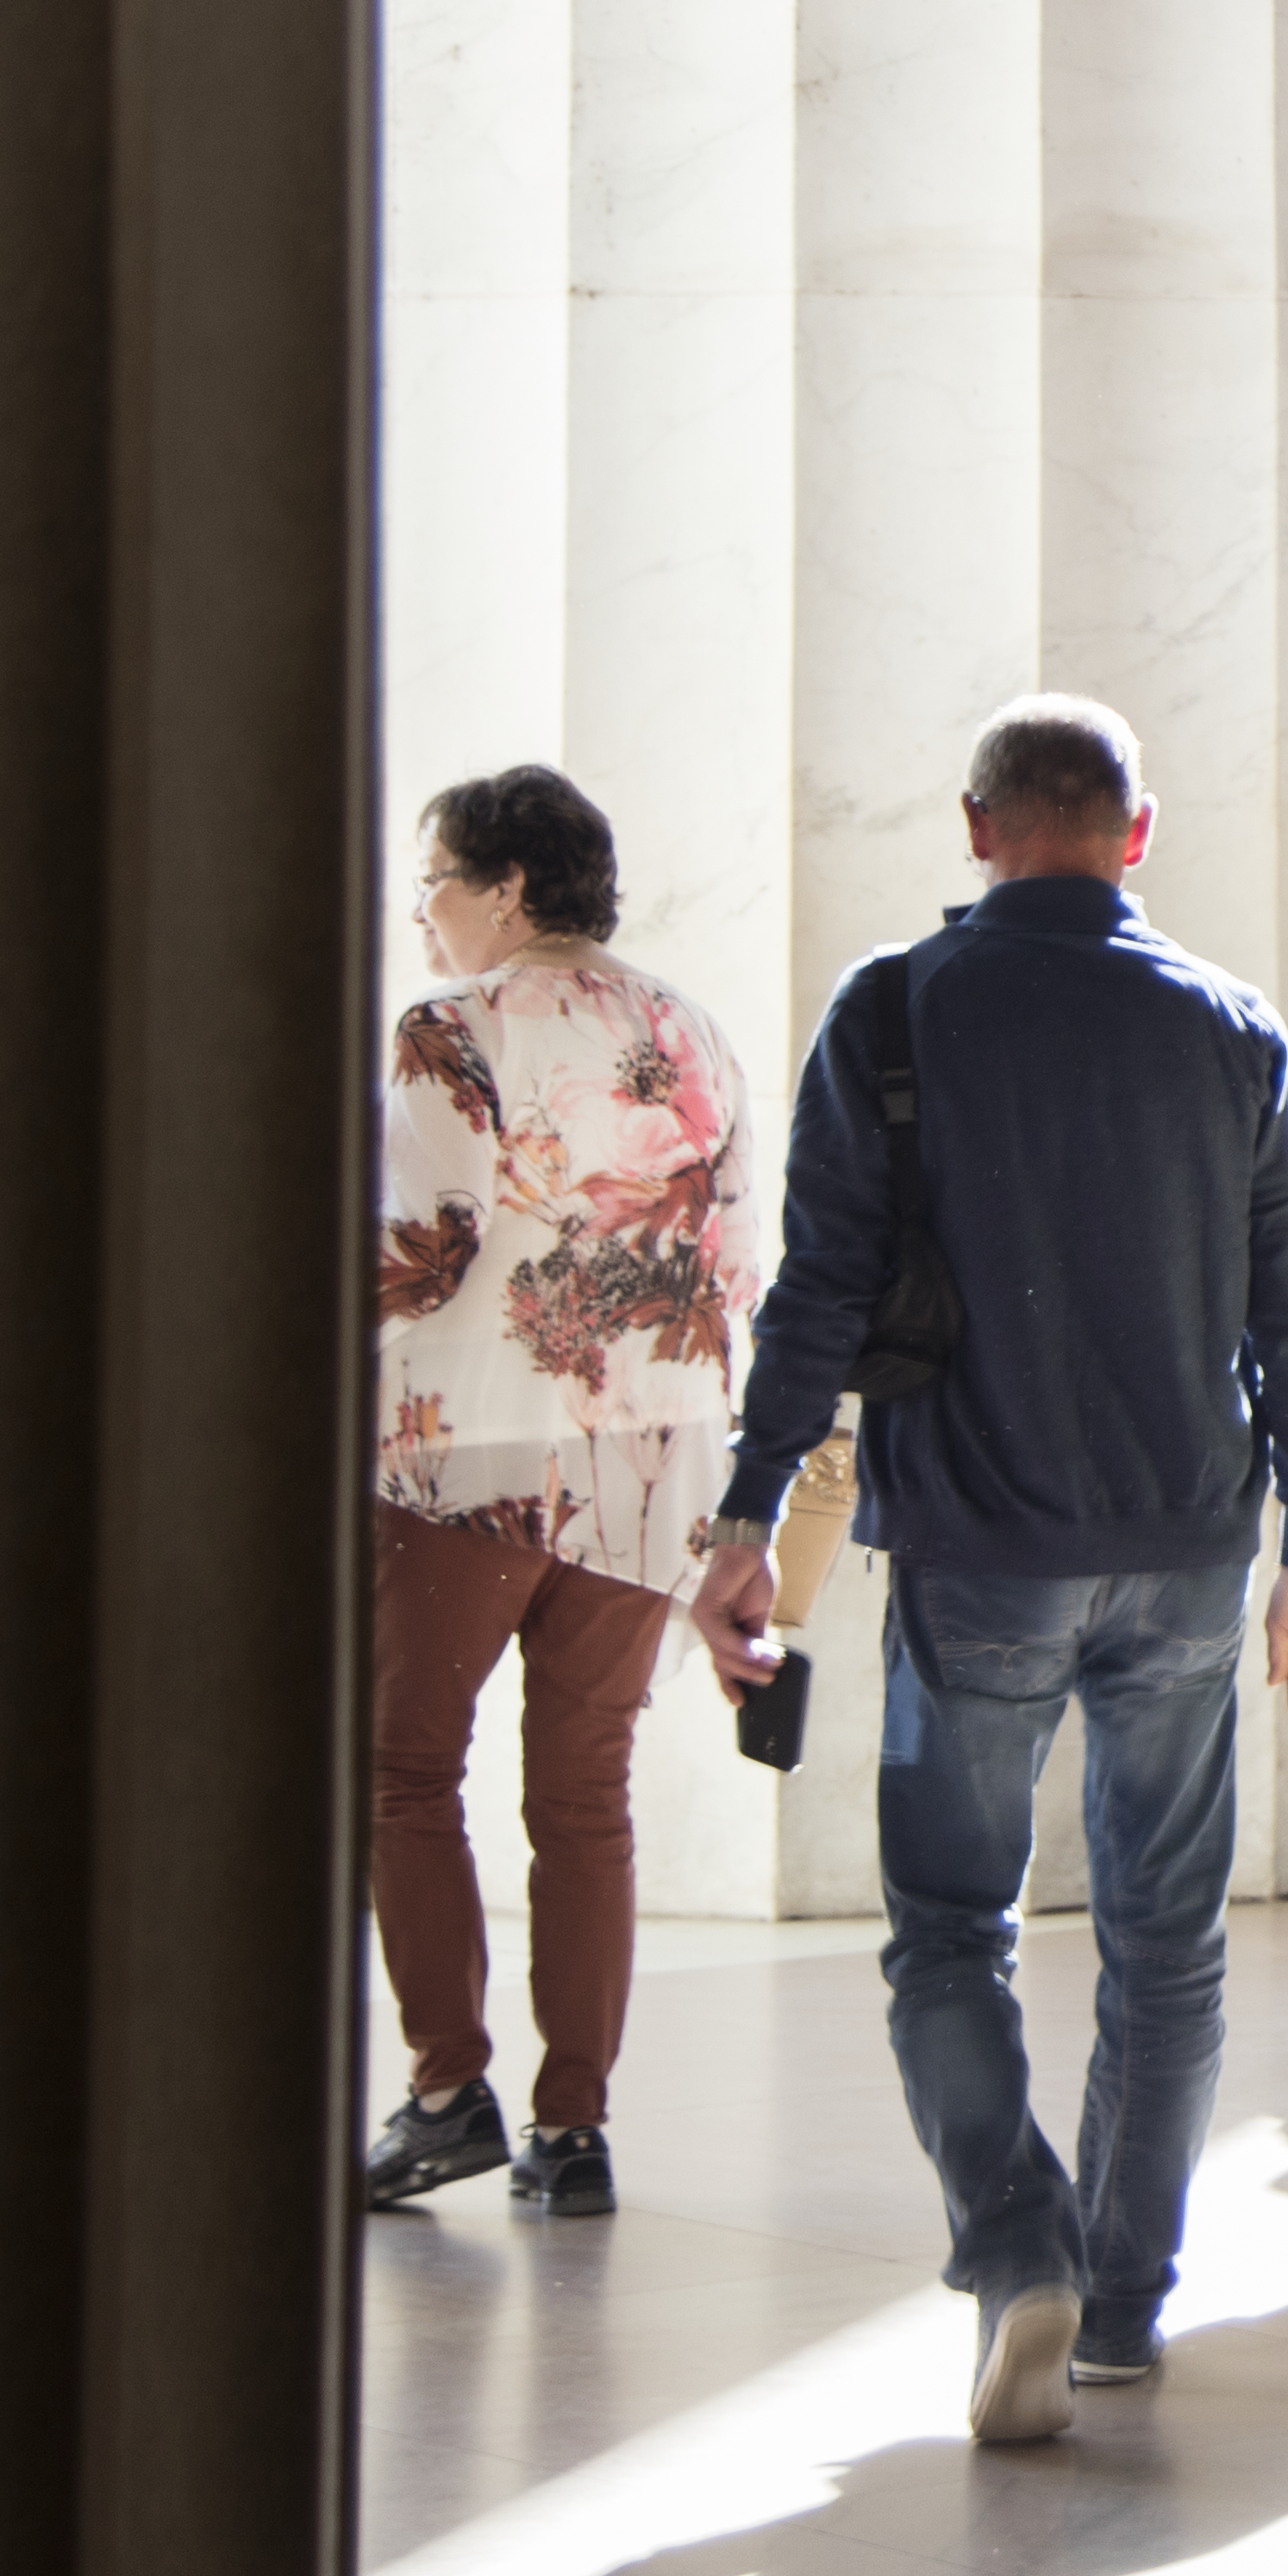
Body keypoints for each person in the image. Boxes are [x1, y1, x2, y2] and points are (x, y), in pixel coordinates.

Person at [691, 697, 1288, 2446]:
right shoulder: (1232, 1026)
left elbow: (819, 1292)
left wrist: (750, 1516)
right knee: (1169, 1942)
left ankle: (1020, 2253)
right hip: (1186, 1554)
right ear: (1137, 834)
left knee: (947, 1930)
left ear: (980, 827)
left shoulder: (895, 1008)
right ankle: (1126, 2304)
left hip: (976, 1559)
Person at [361, 763, 776, 2224]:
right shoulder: (690, 1027)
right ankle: (573, 2125)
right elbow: (728, 1259)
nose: (423, 910)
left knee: (405, 1767)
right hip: (656, 1453)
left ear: (506, 885)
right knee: (584, 1791)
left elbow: (424, 1241)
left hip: (469, 1445)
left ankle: (441, 2092)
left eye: (437, 878)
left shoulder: (447, 1031)